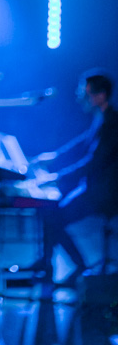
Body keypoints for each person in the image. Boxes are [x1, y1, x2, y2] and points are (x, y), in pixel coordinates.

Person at [35, 71, 118, 284]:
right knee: (51, 211)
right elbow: (81, 144)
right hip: (95, 188)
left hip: (104, 194)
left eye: (86, 93)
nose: (81, 97)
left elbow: (93, 162)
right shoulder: (102, 118)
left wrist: (56, 177)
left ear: (100, 96)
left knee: (54, 217)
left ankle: (78, 266)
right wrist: (53, 157)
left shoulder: (112, 123)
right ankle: (47, 263)